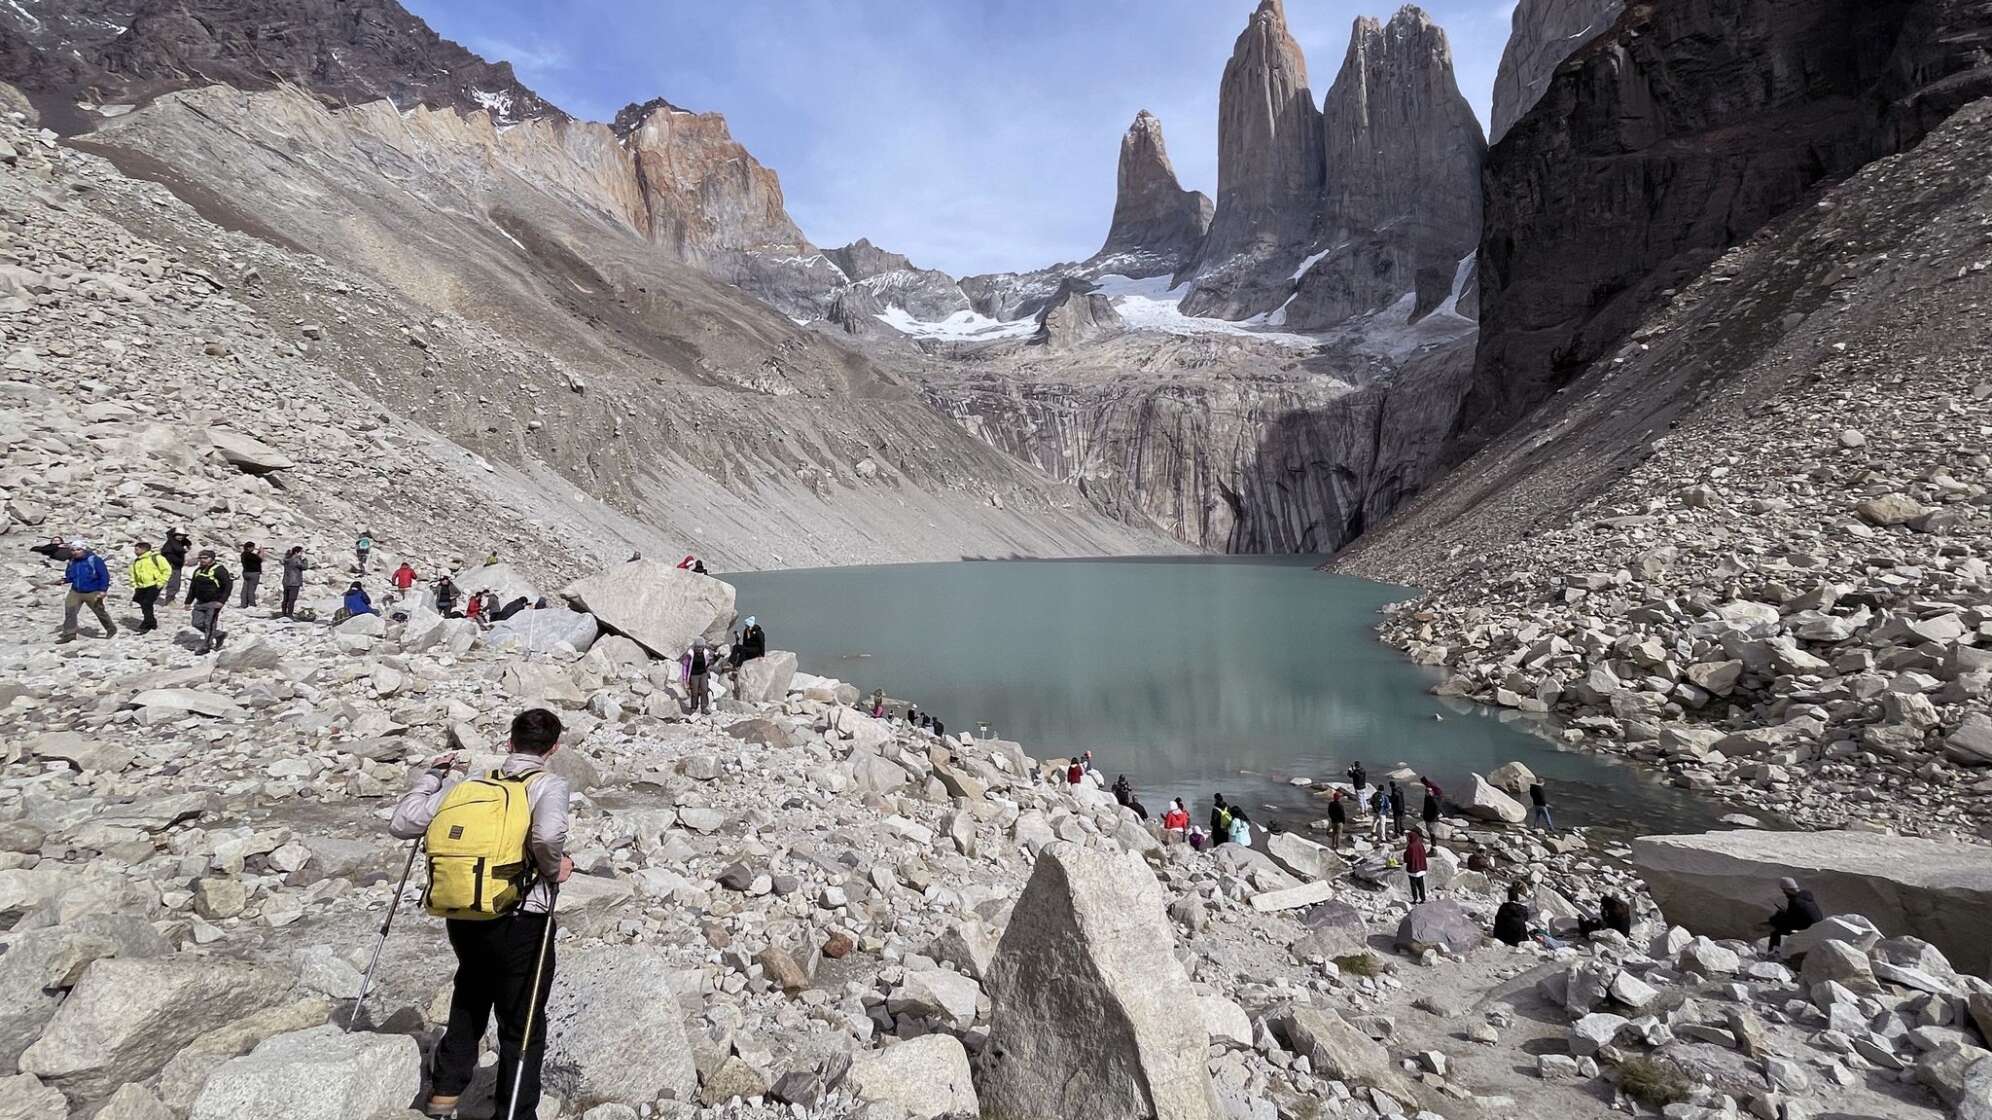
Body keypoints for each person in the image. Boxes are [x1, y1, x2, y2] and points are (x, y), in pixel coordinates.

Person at [390, 709, 572, 1120]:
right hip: (522, 915)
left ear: (509, 742)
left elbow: (403, 822)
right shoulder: (548, 784)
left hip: (464, 911)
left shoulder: (470, 784)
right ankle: (515, 1113)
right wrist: (552, 867)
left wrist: (431, 777)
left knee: (471, 988)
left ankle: (445, 1091)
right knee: (522, 1019)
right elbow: (547, 834)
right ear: (553, 749)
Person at [59, 541, 118, 642]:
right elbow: (70, 575)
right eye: (73, 550)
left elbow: (104, 575)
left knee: (99, 611)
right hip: (75, 591)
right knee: (70, 611)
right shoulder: (72, 561)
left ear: (84, 549)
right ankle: (69, 634)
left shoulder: (94, 560)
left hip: (92, 591)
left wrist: (103, 590)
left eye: (78, 549)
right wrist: (65, 580)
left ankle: (111, 628)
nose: (75, 552)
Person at [185, 549, 232, 654]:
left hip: (214, 602)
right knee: (196, 623)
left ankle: (206, 646)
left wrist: (221, 601)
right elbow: (193, 587)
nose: (202, 560)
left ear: (212, 558)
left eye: (205, 558)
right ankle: (219, 635)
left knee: (209, 624)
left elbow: (228, 586)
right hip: (200, 602)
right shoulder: (198, 571)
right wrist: (188, 601)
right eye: (200, 558)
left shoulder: (219, 570)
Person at [1766, 878, 1823, 951]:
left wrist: (1775, 919)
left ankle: (1773, 953)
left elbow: (1790, 921)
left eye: (1784, 891)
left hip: (1807, 931)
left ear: (1787, 890)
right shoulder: (1806, 897)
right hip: (1816, 928)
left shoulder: (1795, 901)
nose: (1784, 893)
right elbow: (1799, 915)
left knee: (1776, 932)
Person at [128, 540, 171, 633]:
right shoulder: (137, 561)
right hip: (141, 586)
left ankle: (147, 624)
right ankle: (151, 621)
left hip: (154, 584)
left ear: (144, 549)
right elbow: (133, 574)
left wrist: (160, 582)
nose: (135, 551)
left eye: (137, 549)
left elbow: (167, 570)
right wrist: (134, 585)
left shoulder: (156, 558)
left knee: (147, 603)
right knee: (140, 601)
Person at [683, 638, 713, 716]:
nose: (699, 649)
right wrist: (684, 678)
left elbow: (708, 663)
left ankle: (704, 707)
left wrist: (708, 670)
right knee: (694, 691)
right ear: (695, 647)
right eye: (698, 647)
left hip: (703, 673)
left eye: (701, 647)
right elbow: (685, 665)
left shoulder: (705, 652)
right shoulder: (690, 653)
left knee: (704, 689)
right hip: (693, 674)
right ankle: (693, 707)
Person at [160, 529, 191, 603]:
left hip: (176, 566)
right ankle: (169, 601)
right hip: (172, 566)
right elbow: (168, 554)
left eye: (182, 536)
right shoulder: (172, 544)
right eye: (179, 535)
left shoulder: (176, 543)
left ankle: (170, 599)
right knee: (174, 584)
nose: (181, 537)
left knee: (175, 583)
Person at [280, 546, 309, 619]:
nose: (302, 554)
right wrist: (305, 559)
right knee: (292, 599)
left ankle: (284, 613)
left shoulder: (287, 559)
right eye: (301, 552)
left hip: (286, 581)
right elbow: (304, 567)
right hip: (294, 582)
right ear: (297, 552)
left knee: (285, 599)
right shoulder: (296, 560)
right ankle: (290, 614)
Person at [236, 541, 264, 609]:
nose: (254, 549)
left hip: (246, 573)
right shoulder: (250, 555)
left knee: (245, 589)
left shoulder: (244, 554)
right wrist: (261, 552)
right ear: (249, 548)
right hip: (253, 573)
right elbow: (260, 559)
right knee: (251, 590)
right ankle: (252, 604)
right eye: (253, 547)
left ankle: (243, 604)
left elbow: (255, 558)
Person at [1404, 828, 1430, 904]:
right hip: (1421, 869)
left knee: (1413, 885)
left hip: (1413, 869)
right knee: (1421, 884)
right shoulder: (1420, 845)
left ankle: (1415, 899)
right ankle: (1423, 899)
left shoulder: (1410, 846)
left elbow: (1407, 858)